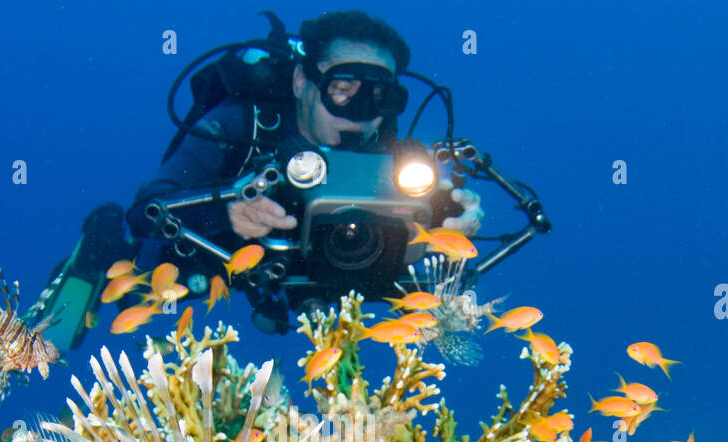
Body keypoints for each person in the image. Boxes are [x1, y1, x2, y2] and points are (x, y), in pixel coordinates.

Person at [35, 10, 483, 345]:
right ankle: (93, 254)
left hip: (322, 273)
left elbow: (421, 283)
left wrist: (444, 243)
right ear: (301, 83)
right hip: (220, 259)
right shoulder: (241, 127)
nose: (360, 115)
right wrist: (228, 212)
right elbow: (148, 208)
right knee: (133, 292)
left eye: (380, 97)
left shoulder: (396, 158)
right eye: (343, 89)